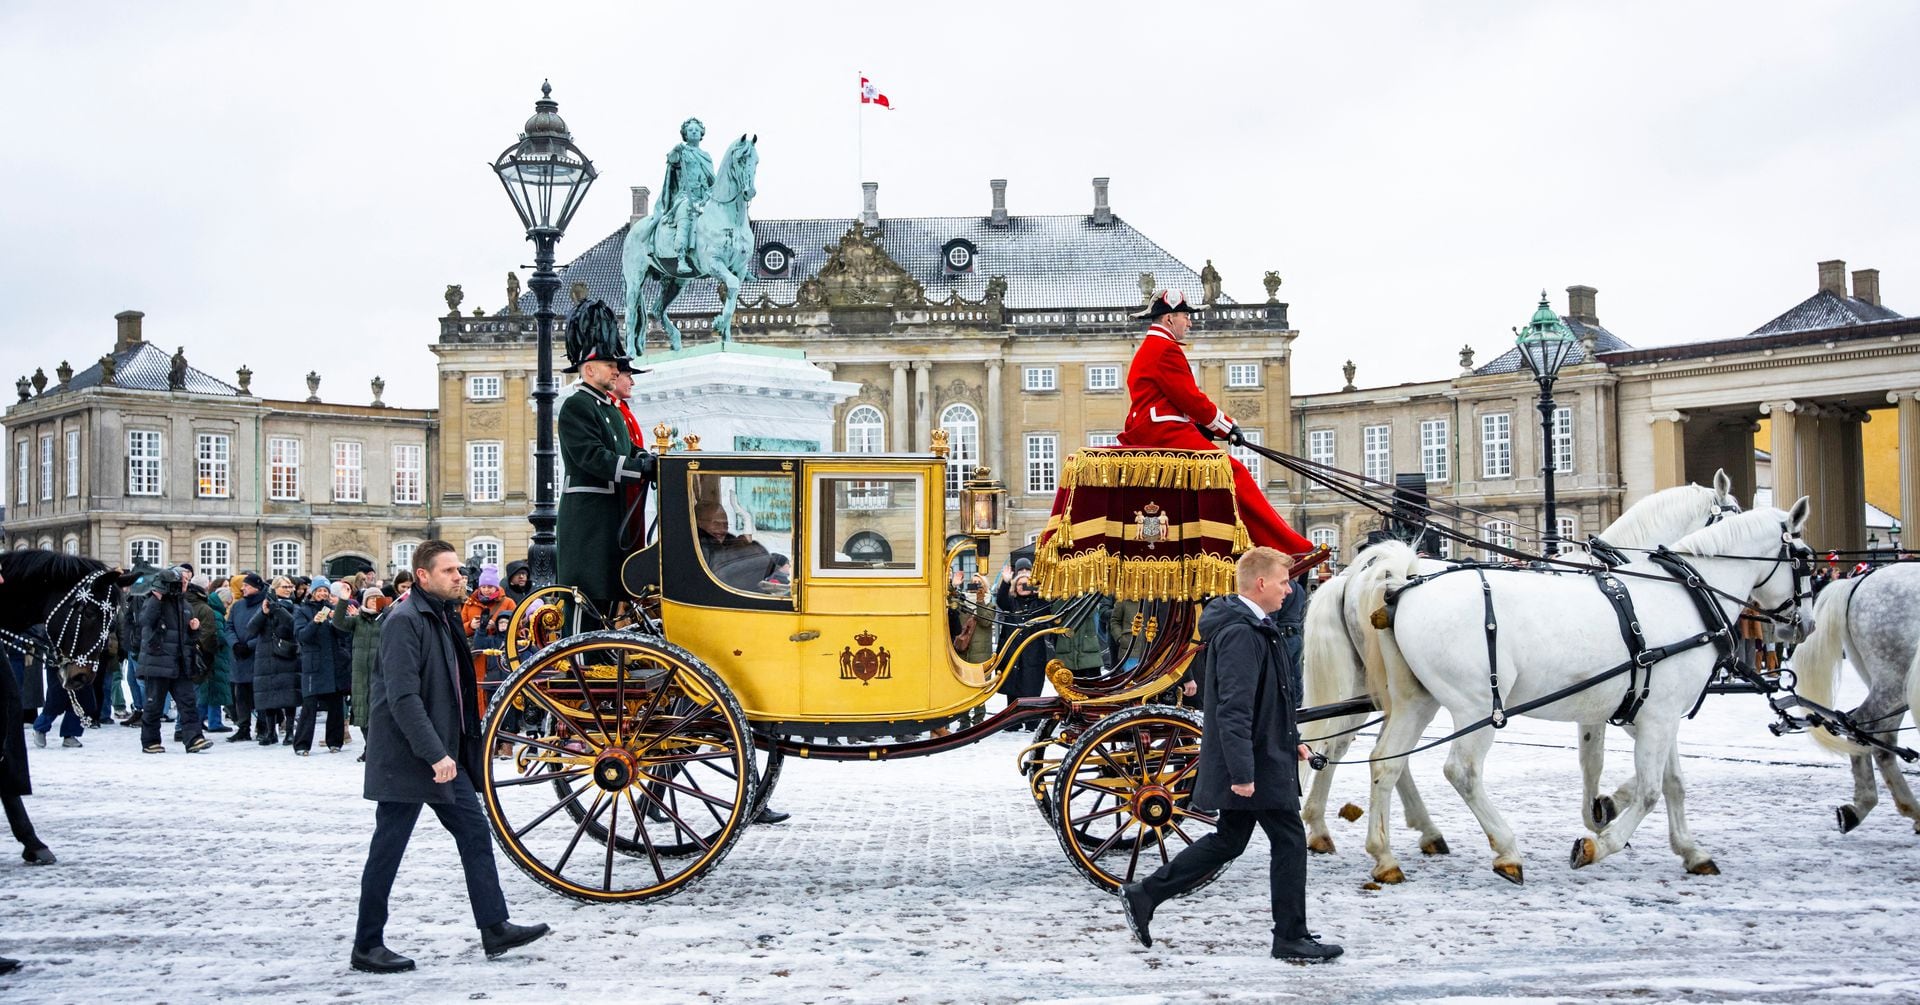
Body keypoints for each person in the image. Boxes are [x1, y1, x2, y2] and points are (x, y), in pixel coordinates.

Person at [1118, 547, 1342, 963]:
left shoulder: (1254, 625)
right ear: (1260, 584)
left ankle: (1146, 893)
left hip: (1263, 754)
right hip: (1254, 762)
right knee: (1289, 840)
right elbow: (1233, 709)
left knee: (1230, 840)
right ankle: (1290, 936)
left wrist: (1290, 737)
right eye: (1282, 582)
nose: (1288, 590)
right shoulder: (1242, 632)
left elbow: (1269, 699)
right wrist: (1242, 772)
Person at [353, 540, 550, 973]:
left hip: (443, 755)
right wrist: (435, 753)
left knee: (475, 834)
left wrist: (456, 752)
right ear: (422, 576)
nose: (460, 576)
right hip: (412, 757)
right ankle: (367, 944)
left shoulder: (439, 615)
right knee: (388, 849)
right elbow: (402, 698)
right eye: (448, 571)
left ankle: (494, 926)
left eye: (459, 570)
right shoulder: (404, 620)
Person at [1117, 290, 1322, 572]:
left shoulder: (1151, 347)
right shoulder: (1165, 349)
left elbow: (1171, 399)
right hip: (1163, 431)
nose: (1189, 323)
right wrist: (1226, 426)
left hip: (1157, 426)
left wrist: (1204, 427)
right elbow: (1191, 399)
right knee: (1231, 471)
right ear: (1169, 318)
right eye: (1185, 317)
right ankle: (1289, 548)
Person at [556, 316, 653, 616]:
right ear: (589, 369)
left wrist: (646, 459)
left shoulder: (608, 408)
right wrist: (639, 468)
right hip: (590, 518)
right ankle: (582, 661)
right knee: (588, 596)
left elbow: (626, 449)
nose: (616, 370)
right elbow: (592, 457)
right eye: (610, 364)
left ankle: (603, 655)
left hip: (612, 514)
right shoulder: (578, 406)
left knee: (609, 592)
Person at [136, 568, 212, 754]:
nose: (186, 584)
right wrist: (157, 598)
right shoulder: (153, 601)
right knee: (154, 705)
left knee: (188, 703)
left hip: (180, 664)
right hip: (157, 664)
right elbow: (145, 621)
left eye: (187, 580)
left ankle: (194, 739)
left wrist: (194, 631)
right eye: (182, 581)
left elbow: (187, 639)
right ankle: (150, 741)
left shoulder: (185, 605)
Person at [293, 580, 350, 755]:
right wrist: (315, 623)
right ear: (312, 592)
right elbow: (302, 636)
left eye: (326, 590)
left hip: (333, 663)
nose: (323, 594)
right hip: (314, 665)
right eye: (320, 590)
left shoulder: (332, 610)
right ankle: (302, 744)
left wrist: (337, 620)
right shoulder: (302, 611)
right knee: (309, 705)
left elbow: (343, 634)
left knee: (335, 706)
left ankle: (335, 742)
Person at [250, 576, 304, 747]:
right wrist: (264, 613)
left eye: (290, 586)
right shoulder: (264, 606)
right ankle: (270, 732)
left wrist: (278, 608)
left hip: (286, 654)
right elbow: (251, 629)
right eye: (284, 586)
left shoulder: (295, 607)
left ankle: (289, 731)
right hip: (266, 655)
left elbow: (292, 625)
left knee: (289, 695)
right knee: (268, 695)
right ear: (274, 589)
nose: (289, 589)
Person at [337, 587, 388, 762]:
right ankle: (369, 747)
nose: (374, 602)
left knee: (378, 713)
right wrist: (343, 601)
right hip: (360, 672)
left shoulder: (387, 619)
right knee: (362, 712)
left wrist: (387, 612)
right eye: (371, 599)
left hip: (380, 671)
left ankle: (377, 749)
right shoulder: (358, 620)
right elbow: (338, 623)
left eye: (377, 599)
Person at [186, 574, 234, 734]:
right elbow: (218, 636)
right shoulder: (217, 614)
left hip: (212, 657)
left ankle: (211, 721)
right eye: (227, 603)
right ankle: (207, 722)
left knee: (210, 692)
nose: (228, 607)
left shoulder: (210, 609)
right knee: (209, 692)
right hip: (215, 657)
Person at [226, 573, 267, 742]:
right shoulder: (238, 606)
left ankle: (264, 726)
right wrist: (235, 644)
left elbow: (267, 631)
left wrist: (249, 646)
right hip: (239, 656)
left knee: (260, 694)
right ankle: (243, 727)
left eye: (247, 585)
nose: (242, 588)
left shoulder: (265, 605)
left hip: (257, 656)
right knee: (240, 694)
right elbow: (228, 627)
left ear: (256, 588)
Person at [459, 566, 517, 687]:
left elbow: (517, 626)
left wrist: (497, 627)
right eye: (483, 586)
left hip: (499, 654)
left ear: (496, 586)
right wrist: (471, 626)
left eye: (490, 587)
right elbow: (459, 628)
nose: (486, 590)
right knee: (477, 686)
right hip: (477, 655)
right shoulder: (470, 603)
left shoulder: (508, 602)